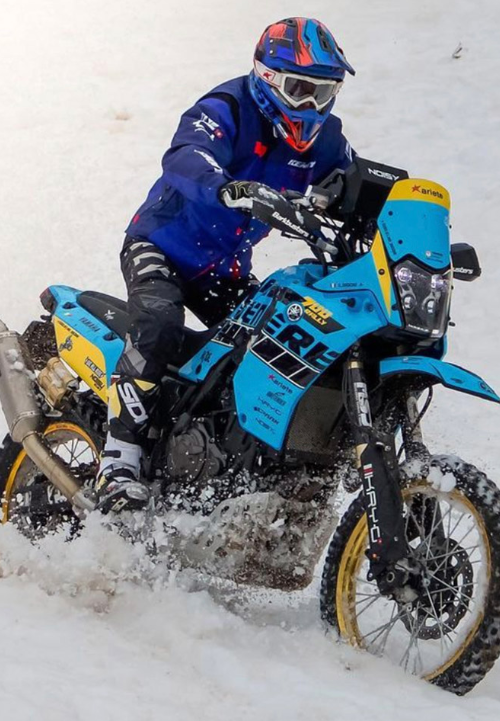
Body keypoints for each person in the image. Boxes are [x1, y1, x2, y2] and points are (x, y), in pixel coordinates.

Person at [96, 17, 357, 513]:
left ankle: (221, 460)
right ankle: (119, 460)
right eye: (301, 90)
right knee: (158, 322)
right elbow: (185, 155)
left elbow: (356, 181)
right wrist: (226, 187)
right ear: (268, 78)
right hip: (160, 246)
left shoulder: (326, 141)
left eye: (324, 93)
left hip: (223, 269)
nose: (311, 106)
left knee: (276, 342)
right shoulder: (226, 107)